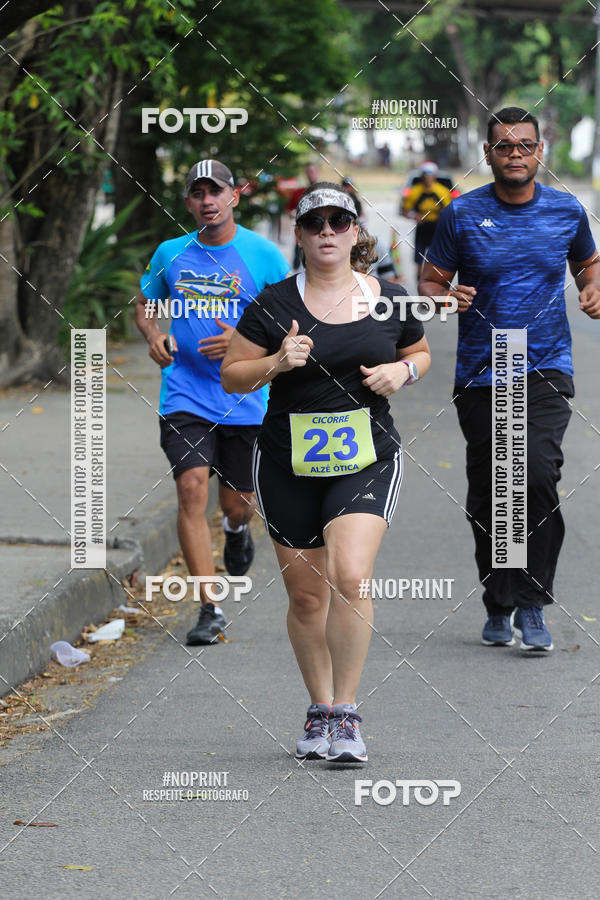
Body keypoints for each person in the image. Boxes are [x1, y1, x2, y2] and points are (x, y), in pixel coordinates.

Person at [221, 182, 431, 761]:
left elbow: (419, 353)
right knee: (308, 597)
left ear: (357, 232)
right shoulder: (272, 304)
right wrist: (275, 362)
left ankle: (348, 712)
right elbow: (232, 376)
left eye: (340, 223)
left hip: (366, 455)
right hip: (287, 459)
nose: (328, 234)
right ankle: (319, 712)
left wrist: (403, 375)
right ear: (299, 234)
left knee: (351, 574)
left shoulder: (389, 296)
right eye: (316, 225)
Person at [419, 107, 600, 652]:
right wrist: (442, 298)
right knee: (495, 489)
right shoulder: (461, 213)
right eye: (504, 146)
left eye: (524, 145)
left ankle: (532, 603)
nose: (515, 154)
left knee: (537, 474)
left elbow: (589, 264)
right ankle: (498, 600)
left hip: (545, 362)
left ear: (540, 150)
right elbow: (430, 282)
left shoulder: (568, 210)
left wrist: (593, 287)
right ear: (489, 153)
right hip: (482, 367)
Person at [135, 158, 290, 646]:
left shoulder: (263, 255)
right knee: (190, 487)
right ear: (188, 202)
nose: (207, 201)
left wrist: (248, 345)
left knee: (238, 502)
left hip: (246, 396)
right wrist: (153, 334)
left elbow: (292, 324)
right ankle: (209, 606)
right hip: (185, 392)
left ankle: (237, 529)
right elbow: (146, 302)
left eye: (215, 192)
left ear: (233, 196)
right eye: (197, 193)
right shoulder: (170, 253)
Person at [403, 161, 451, 280]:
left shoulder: (442, 191)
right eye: (425, 174)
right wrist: (414, 216)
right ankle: (419, 285)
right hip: (422, 228)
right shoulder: (415, 191)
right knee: (419, 261)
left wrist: (443, 219)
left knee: (438, 262)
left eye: (430, 174)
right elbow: (405, 211)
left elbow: (450, 212)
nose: (427, 177)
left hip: (437, 229)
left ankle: (436, 286)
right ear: (422, 175)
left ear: (435, 175)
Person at [287, 162, 320, 270]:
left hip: (319, 236)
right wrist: (293, 213)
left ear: (318, 173)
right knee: (297, 266)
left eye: (313, 171)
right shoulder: (298, 192)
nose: (311, 174)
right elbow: (289, 210)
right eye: (308, 172)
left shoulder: (324, 192)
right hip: (301, 236)